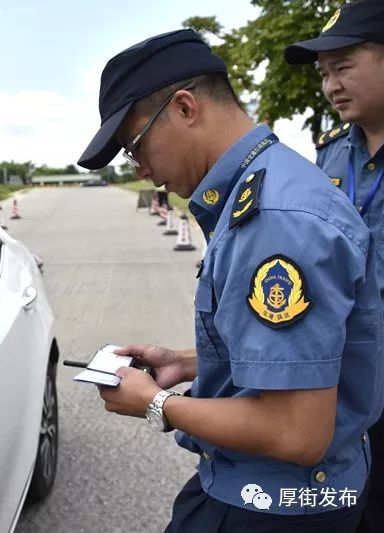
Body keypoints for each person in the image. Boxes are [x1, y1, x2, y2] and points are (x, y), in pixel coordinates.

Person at [77, 29, 384, 532]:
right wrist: (188, 363)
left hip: (277, 505)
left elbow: (296, 430)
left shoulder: (274, 217)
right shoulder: (271, 184)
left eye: (135, 145)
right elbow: (323, 348)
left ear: (184, 108)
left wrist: (157, 403)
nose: (143, 169)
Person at [285, 3, 384, 531]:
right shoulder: (329, 156)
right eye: (324, 74)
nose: (330, 85)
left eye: (343, 66)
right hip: (343, 388)